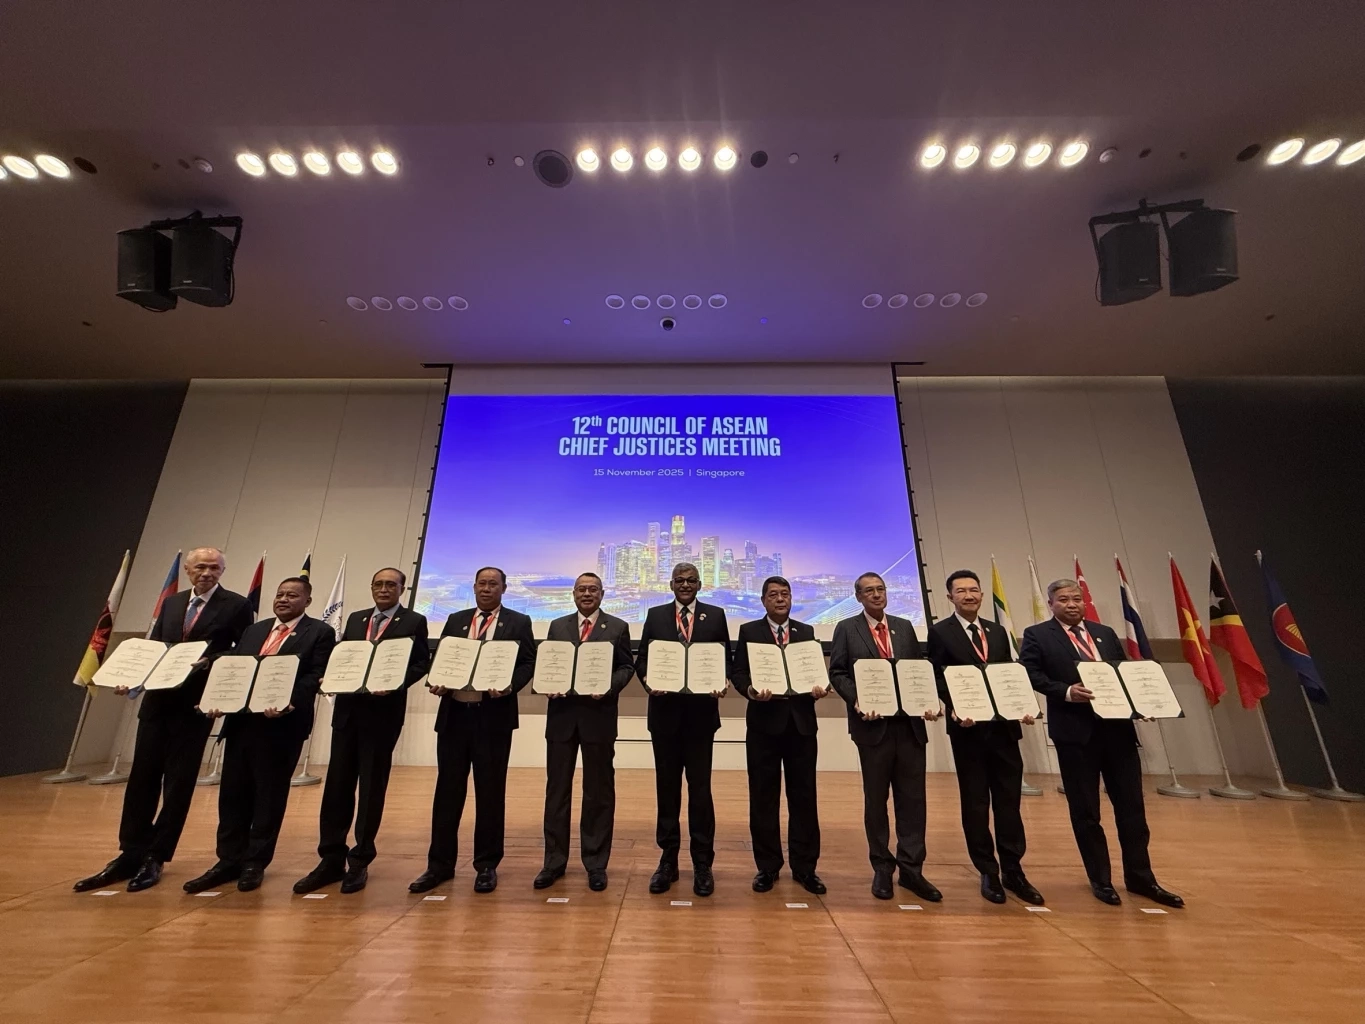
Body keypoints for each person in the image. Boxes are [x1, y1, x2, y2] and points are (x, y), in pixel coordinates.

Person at [74, 547, 253, 894]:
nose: (207, 572)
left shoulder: (237, 604)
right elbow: (153, 647)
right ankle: (130, 853)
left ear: (223, 571)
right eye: (200, 566)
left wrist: (208, 661)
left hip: (195, 705)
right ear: (187, 570)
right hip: (157, 704)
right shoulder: (172, 603)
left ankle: (157, 856)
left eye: (214, 567)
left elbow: (241, 651)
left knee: (178, 785)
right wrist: (132, 678)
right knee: (141, 779)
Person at [1019, 578, 1184, 909]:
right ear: (1051, 604)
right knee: (1086, 811)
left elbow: (1123, 674)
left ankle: (1141, 878)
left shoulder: (1105, 633)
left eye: (1077, 599)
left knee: (1132, 809)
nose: (1072, 604)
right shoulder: (1038, 635)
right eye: (1063, 599)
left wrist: (1142, 705)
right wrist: (1066, 691)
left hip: (1118, 732)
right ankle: (1101, 879)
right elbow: (1030, 674)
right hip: (1075, 734)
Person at [183, 576, 335, 892]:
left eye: (292, 595)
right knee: (232, 795)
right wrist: (217, 699)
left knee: (269, 796)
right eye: (280, 594)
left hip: (282, 725)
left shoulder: (320, 632)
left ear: (307, 601)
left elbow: (315, 675)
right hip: (241, 723)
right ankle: (227, 860)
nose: (283, 599)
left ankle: (254, 862)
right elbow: (234, 669)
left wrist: (286, 701)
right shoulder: (254, 630)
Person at [294, 567, 430, 895]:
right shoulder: (355, 619)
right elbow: (344, 659)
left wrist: (394, 683)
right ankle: (330, 860)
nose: (384, 589)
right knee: (337, 788)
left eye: (391, 585)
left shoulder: (413, 622)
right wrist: (332, 677)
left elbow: (420, 664)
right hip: (348, 713)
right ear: (371, 588)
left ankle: (360, 860)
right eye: (378, 584)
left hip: (382, 716)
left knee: (371, 789)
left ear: (402, 589)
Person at [410, 566, 536, 895]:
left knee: (490, 793)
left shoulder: (519, 623)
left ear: (504, 589)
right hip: (454, 716)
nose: (486, 588)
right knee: (447, 792)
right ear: (474, 586)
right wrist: (436, 680)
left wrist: (510, 685)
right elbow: (443, 660)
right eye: (482, 583)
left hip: (492, 718)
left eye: (493, 584)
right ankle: (439, 865)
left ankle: (486, 865)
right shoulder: (456, 620)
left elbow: (527, 663)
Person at [926, 570, 1044, 905]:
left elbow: (1011, 674)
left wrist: (1024, 705)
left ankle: (1014, 871)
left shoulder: (997, 630)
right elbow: (937, 676)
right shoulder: (939, 632)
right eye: (960, 591)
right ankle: (988, 872)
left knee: (1009, 804)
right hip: (967, 730)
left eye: (974, 590)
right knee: (976, 804)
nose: (969, 595)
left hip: (1005, 729)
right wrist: (953, 704)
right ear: (950, 597)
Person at [830, 571, 943, 902]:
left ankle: (912, 870)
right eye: (869, 591)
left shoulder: (904, 626)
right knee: (876, 800)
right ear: (858, 597)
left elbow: (919, 672)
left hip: (909, 726)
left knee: (913, 800)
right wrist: (858, 699)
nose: (876, 595)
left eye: (880, 589)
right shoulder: (846, 628)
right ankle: (882, 868)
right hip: (872, 727)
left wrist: (929, 700)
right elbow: (837, 672)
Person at [534, 572, 635, 892]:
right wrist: (548, 684)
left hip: (598, 717)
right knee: (557, 791)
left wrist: (608, 686)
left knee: (598, 793)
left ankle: (595, 863)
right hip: (562, 718)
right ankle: (553, 862)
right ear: (574, 594)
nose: (587, 594)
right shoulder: (557, 626)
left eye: (593, 589)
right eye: (582, 589)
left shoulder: (617, 627)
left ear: (603, 594)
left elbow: (626, 667)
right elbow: (550, 663)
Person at [635, 562, 731, 897]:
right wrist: (649, 682)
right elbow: (643, 659)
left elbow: (725, 660)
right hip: (664, 715)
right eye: (680, 580)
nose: (685, 585)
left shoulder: (716, 616)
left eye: (691, 580)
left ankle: (703, 864)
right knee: (667, 790)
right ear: (671, 583)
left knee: (701, 792)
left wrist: (723, 681)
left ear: (700, 584)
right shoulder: (656, 615)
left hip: (701, 716)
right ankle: (668, 861)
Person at [731, 576, 827, 895]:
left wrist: (818, 688)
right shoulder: (749, 632)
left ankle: (805, 868)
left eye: (785, 594)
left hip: (801, 724)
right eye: (773, 595)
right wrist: (751, 690)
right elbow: (739, 672)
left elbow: (813, 672)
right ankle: (768, 867)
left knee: (804, 798)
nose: (780, 599)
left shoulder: (807, 632)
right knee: (763, 798)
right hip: (764, 724)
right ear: (763, 601)